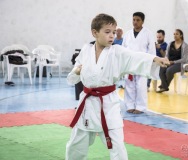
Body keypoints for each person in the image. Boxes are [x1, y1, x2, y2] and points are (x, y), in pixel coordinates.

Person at [65, 13, 169, 160]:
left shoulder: (117, 52)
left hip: (108, 105)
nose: (112, 36)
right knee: (76, 144)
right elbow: (73, 76)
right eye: (107, 32)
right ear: (95, 33)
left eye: (113, 32)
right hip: (87, 104)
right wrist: (76, 72)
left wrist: (155, 59)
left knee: (117, 145)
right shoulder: (86, 50)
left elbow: (135, 56)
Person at [122, 12, 156, 114]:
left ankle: (140, 107)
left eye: (138, 20)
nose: (135, 22)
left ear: (142, 21)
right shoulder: (128, 34)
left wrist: (150, 62)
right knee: (129, 85)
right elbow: (123, 49)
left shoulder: (148, 33)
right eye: (134, 20)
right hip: (130, 63)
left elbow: (151, 50)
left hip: (142, 63)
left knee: (140, 86)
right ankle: (130, 105)